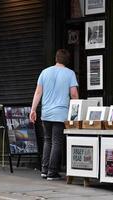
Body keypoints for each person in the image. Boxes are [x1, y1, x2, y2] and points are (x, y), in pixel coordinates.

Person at [30, 49, 79, 180]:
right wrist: (76, 113)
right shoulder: (70, 73)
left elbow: (38, 93)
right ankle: (52, 172)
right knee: (57, 142)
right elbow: (74, 94)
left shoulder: (44, 72)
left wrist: (33, 109)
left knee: (47, 140)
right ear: (67, 60)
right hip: (60, 113)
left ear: (56, 58)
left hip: (46, 113)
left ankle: (44, 170)